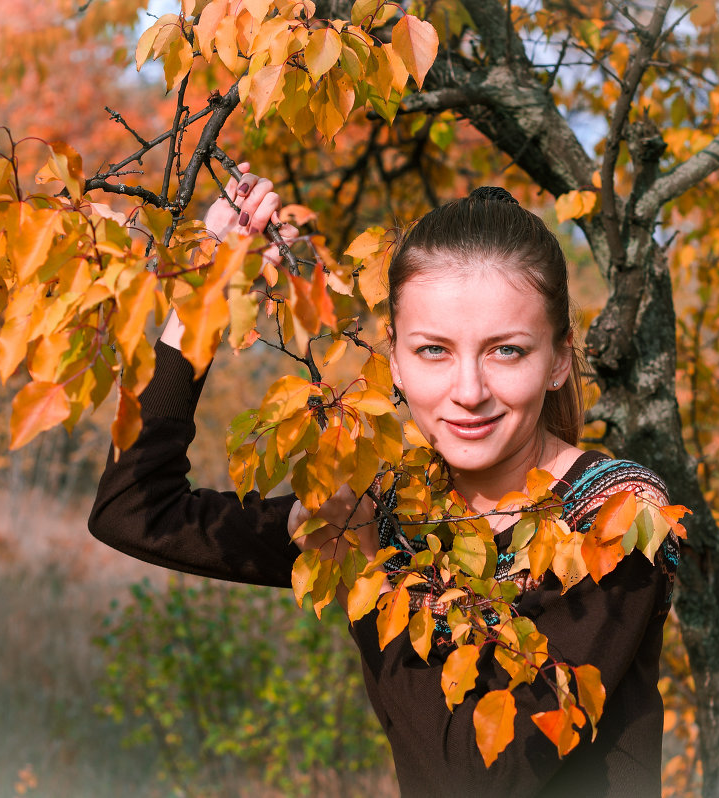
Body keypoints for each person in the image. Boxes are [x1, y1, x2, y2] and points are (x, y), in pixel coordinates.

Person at [88, 170, 680, 798]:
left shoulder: (616, 515)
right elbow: (133, 507)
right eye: (434, 351)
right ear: (394, 359)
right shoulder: (393, 507)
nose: (470, 391)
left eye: (506, 350)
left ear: (559, 359)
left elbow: (478, 781)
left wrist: (371, 568)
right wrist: (204, 304)